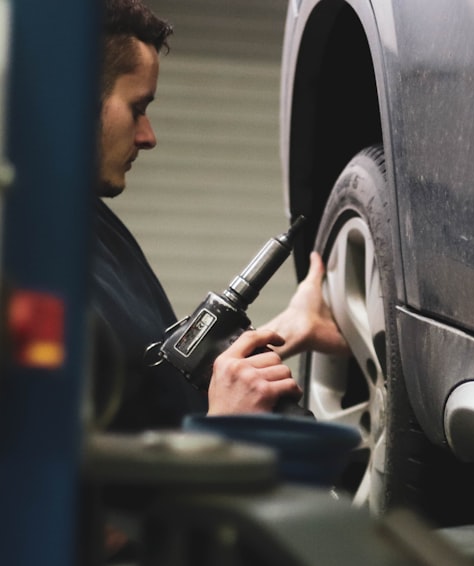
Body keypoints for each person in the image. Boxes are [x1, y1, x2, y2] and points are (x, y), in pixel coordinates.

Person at [91, 0, 345, 431]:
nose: (148, 136)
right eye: (138, 107)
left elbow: (152, 391)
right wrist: (224, 424)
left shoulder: (92, 225)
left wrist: (289, 328)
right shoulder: (21, 260)